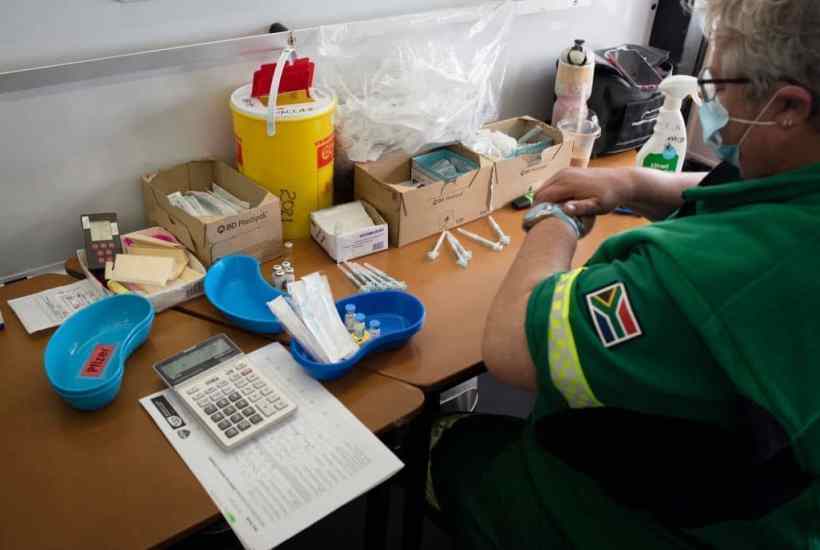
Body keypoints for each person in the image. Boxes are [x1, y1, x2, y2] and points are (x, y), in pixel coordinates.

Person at [427, 0, 820, 548]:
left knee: (453, 443)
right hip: (779, 502)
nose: (710, 105)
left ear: (789, 107)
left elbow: (512, 345)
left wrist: (554, 221)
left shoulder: (704, 278)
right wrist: (634, 184)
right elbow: (755, 192)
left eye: (717, 86)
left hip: (661, 522)